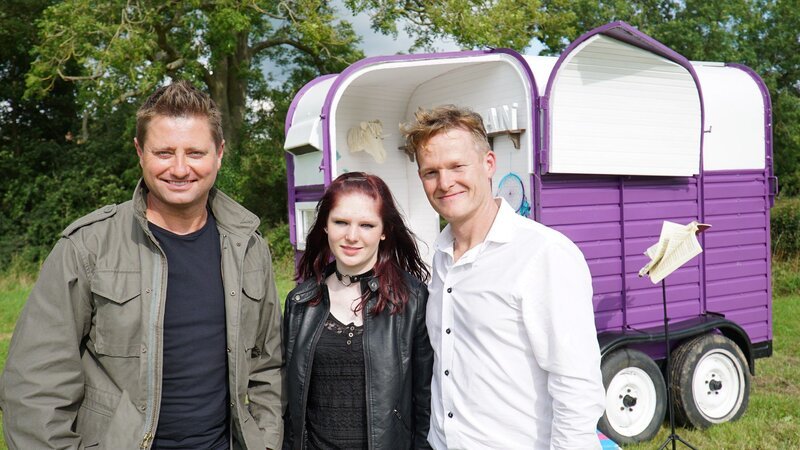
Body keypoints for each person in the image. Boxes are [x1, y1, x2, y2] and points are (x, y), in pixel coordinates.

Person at [0, 81, 283, 449]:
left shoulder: (250, 247)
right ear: (140, 152)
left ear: (219, 154)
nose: (180, 169)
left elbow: (268, 368)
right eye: (164, 152)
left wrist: (267, 442)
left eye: (195, 153)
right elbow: (34, 387)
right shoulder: (87, 246)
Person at [402, 105, 606, 449]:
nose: (445, 182)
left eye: (457, 166)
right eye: (431, 172)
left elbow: (577, 387)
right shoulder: (437, 259)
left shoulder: (544, 254)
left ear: (489, 164)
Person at [283, 172, 433, 449]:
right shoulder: (300, 303)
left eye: (366, 225)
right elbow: (287, 404)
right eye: (341, 222)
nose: (352, 236)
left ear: (384, 230)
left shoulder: (411, 300)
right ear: (326, 225)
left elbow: (425, 401)